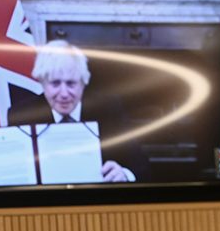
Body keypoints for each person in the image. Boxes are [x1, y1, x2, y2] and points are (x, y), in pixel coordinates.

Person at [9, 39, 139, 182]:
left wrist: (125, 174)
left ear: (83, 83)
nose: (64, 93)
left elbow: (140, 164)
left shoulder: (108, 109)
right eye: (55, 83)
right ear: (43, 83)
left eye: (71, 83)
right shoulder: (22, 115)